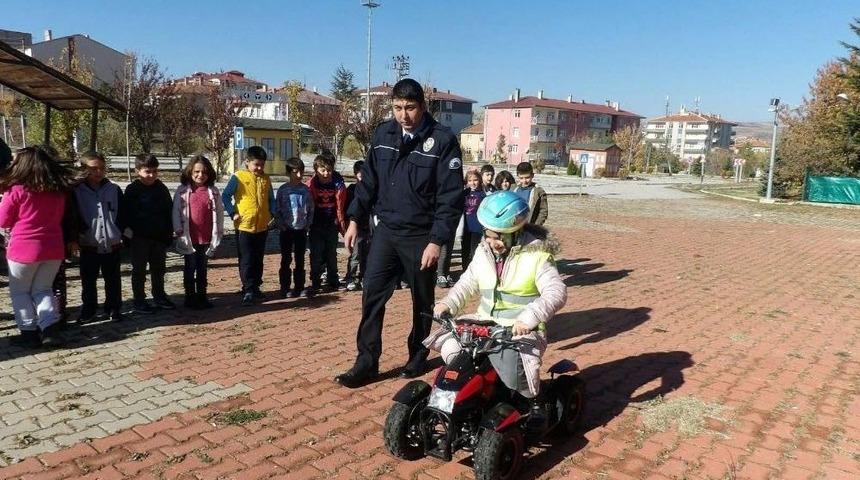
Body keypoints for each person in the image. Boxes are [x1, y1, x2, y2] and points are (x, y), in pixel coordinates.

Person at [335, 78, 465, 388]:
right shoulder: (383, 134)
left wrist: (437, 241)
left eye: (409, 108)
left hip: (421, 237)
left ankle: (418, 354)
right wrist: (355, 219)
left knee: (422, 301)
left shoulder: (442, 140)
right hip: (386, 232)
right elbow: (368, 184)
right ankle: (366, 362)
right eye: (397, 108)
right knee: (372, 297)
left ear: (422, 106)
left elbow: (451, 197)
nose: (403, 115)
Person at [426, 190, 567, 429]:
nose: (492, 243)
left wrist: (529, 317)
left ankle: (535, 404)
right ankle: (480, 397)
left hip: (521, 330)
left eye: (497, 237)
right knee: (451, 348)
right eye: (488, 236)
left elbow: (556, 292)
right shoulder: (484, 251)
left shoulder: (538, 256)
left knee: (516, 370)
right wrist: (448, 303)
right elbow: (467, 282)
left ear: (516, 232)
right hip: (484, 324)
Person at [0, 146, 77, 347]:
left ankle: (28, 333)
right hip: (53, 247)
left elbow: (3, 220)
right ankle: (49, 329)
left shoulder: (16, 190)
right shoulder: (57, 191)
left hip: (23, 249)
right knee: (43, 289)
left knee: (20, 291)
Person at [75, 152, 126, 322]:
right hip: (89, 243)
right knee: (88, 280)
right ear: (84, 169)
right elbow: (73, 215)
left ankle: (113, 307)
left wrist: (120, 231)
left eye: (101, 168)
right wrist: (80, 233)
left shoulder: (113, 189)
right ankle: (89, 309)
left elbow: (123, 214)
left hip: (112, 243)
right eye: (93, 168)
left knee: (113, 279)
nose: (98, 172)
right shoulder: (77, 191)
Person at [222, 145, 276, 306]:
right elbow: (225, 196)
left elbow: (271, 199)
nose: (259, 168)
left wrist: (273, 213)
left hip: (262, 227)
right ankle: (248, 289)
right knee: (246, 259)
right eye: (256, 165)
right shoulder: (238, 177)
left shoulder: (266, 179)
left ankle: (256, 287)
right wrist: (233, 213)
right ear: (247, 162)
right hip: (244, 226)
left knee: (258, 259)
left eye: (262, 165)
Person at [125, 154, 175, 313]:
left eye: (155, 171)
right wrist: (128, 236)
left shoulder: (161, 189)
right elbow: (125, 214)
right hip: (139, 239)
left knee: (159, 270)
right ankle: (139, 299)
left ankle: (159, 295)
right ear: (137, 171)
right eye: (147, 171)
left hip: (159, 238)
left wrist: (169, 234)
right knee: (139, 271)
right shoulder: (132, 190)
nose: (152, 175)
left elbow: (169, 212)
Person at [173, 155, 224, 309]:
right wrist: (178, 230)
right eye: (197, 171)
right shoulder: (182, 191)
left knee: (202, 269)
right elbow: (175, 211)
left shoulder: (213, 192)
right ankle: (189, 297)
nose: (200, 175)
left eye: (204, 172)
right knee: (190, 267)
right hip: (189, 238)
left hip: (206, 238)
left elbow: (220, 213)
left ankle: (202, 296)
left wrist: (219, 233)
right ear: (190, 171)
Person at [305, 153, 347, 297]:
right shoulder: (312, 185)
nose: (326, 173)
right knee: (316, 254)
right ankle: (315, 281)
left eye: (329, 170)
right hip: (316, 224)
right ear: (316, 170)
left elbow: (341, 205)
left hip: (331, 224)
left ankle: (333, 280)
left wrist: (340, 221)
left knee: (331, 253)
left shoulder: (338, 184)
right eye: (323, 170)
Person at [275, 157, 313, 298]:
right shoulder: (283, 190)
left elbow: (310, 209)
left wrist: (308, 224)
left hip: (301, 230)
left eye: (301, 172)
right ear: (288, 172)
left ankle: (299, 286)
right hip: (286, 230)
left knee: (300, 258)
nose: (298, 175)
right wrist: (281, 224)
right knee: (286, 258)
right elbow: (277, 209)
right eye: (295, 172)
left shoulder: (306, 190)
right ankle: (285, 287)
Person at [343, 160, 369, 292]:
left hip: (368, 227)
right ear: (355, 174)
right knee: (355, 255)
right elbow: (347, 208)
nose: (362, 175)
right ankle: (351, 277)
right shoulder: (352, 189)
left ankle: (364, 277)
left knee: (367, 255)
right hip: (356, 227)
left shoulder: (371, 189)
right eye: (360, 173)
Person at [461, 169, 486, 270]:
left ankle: (474, 271)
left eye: (475, 180)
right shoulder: (464, 194)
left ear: (479, 180)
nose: (473, 183)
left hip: (477, 228)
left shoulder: (482, 195)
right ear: (466, 182)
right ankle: (464, 270)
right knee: (465, 250)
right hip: (466, 228)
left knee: (474, 250)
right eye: (470, 180)